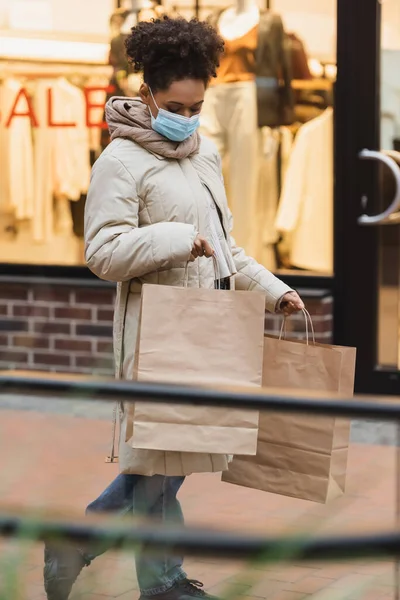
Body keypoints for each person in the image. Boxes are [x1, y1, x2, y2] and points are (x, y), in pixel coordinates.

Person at [43, 16, 304, 600]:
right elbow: (102, 252)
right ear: (147, 94)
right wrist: (175, 238)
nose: (186, 118)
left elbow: (227, 247)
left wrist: (273, 289)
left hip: (209, 327)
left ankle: (85, 541)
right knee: (165, 462)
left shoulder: (202, 155)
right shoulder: (120, 161)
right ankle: (160, 582)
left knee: (169, 460)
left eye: (196, 107)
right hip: (161, 331)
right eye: (176, 105)